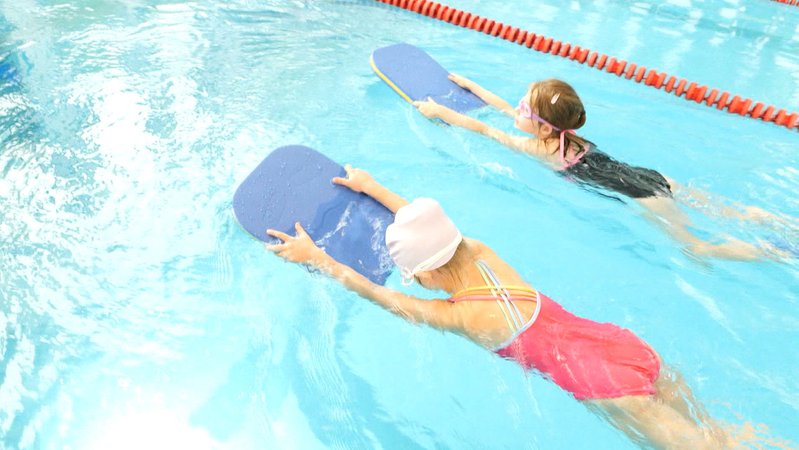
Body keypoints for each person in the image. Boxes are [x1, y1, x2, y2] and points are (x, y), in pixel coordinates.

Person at [264, 166, 780, 450]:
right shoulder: (483, 251)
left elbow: (383, 296)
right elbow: (435, 231)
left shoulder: (461, 315)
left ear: (428, 275)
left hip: (602, 385)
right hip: (620, 345)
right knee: (722, 437)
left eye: (416, 275)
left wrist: (318, 258)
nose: (415, 282)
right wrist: (375, 188)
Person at [412, 77, 793, 261]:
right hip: (651, 175)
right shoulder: (561, 134)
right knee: (727, 210)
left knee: (696, 248)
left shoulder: (535, 149)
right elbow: (501, 111)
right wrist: (469, 86)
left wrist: (439, 112)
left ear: (543, 126)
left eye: (523, 108)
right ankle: (775, 222)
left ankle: (775, 251)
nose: (515, 110)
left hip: (645, 197)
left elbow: (482, 128)